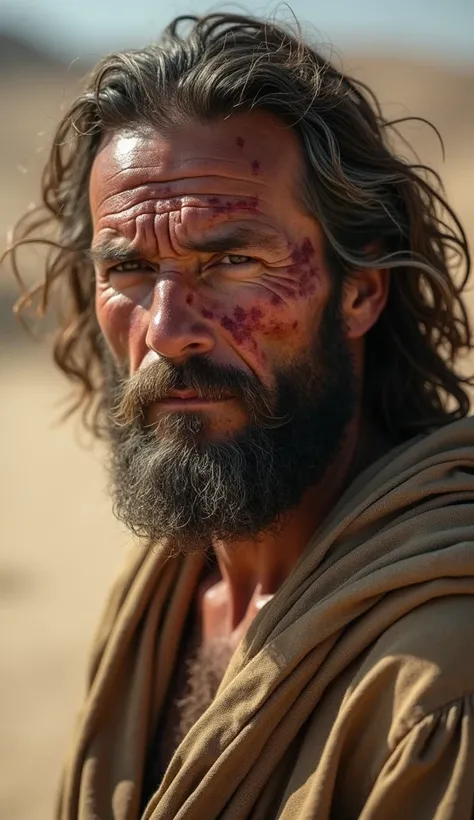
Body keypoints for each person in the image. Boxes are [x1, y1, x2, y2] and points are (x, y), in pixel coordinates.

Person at [5, 11, 474, 820]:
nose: (166, 329)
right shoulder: (167, 591)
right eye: (130, 270)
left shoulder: (440, 680)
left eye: (230, 261)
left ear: (360, 290)